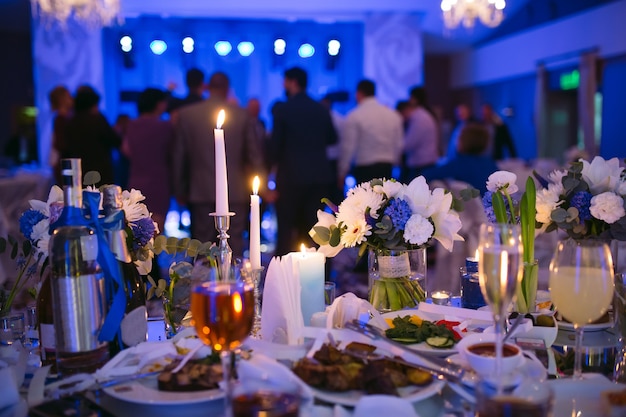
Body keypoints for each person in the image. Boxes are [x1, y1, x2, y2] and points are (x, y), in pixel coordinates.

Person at [173, 72, 264, 257]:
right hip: (235, 191)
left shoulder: (187, 115)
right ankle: (234, 284)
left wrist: (179, 188)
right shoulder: (242, 115)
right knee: (234, 245)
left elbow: (178, 155)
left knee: (202, 248)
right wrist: (262, 187)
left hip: (200, 190)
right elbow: (254, 154)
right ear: (227, 89)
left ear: (208, 87)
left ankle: (203, 284)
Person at [269, 67, 337, 256]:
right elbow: (332, 139)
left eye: (285, 80)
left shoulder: (283, 110)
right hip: (319, 177)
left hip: (291, 178)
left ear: (292, 82)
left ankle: (284, 277)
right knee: (317, 231)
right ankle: (319, 275)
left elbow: (275, 147)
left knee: (285, 232)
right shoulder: (321, 109)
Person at [122, 88, 174, 233]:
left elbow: (126, 150)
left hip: (136, 181)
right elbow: (173, 153)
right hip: (158, 183)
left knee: (135, 233)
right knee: (156, 233)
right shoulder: (165, 127)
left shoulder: (131, 125)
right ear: (158, 104)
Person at [338, 79, 403, 187]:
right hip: (387, 166)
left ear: (358, 94)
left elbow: (348, 147)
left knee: (366, 202)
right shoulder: (393, 114)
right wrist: (395, 162)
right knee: (385, 201)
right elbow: (399, 144)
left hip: (364, 168)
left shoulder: (355, 115)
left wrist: (342, 172)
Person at [61, 86, 121, 184]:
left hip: (78, 173)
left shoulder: (71, 122)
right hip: (100, 171)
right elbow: (114, 140)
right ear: (92, 105)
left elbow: (66, 149)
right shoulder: (98, 120)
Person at [422, 123, 499, 195]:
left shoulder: (460, 164)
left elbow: (426, 175)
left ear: (464, 142)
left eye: (459, 138)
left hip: (471, 208)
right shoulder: (490, 163)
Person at [402, 86, 439, 183]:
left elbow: (409, 143)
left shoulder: (419, 117)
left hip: (421, 165)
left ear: (414, 99)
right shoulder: (427, 114)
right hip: (428, 162)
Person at [48, 85, 73, 184]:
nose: (71, 99)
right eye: (68, 96)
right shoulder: (61, 119)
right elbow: (59, 144)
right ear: (61, 99)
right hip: (64, 164)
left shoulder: (63, 118)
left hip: (64, 163)